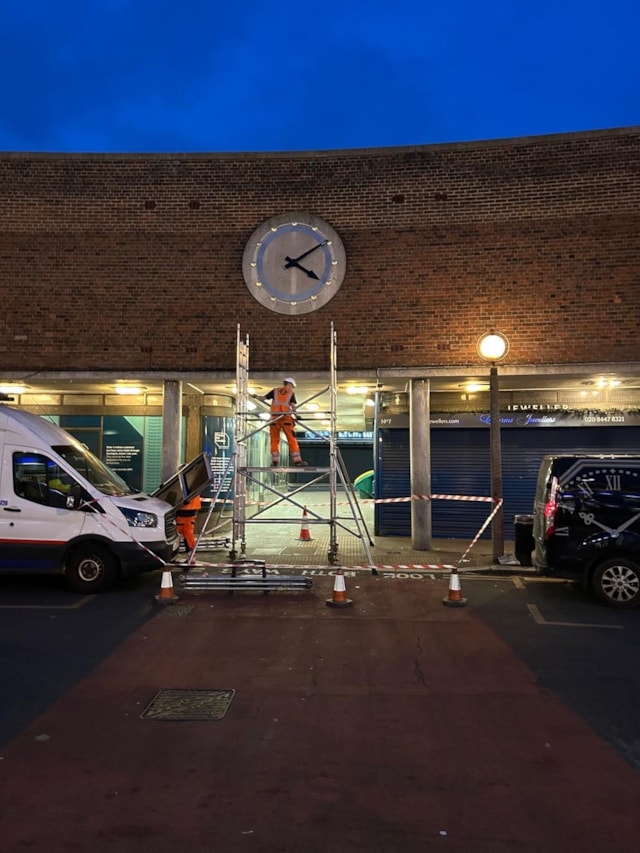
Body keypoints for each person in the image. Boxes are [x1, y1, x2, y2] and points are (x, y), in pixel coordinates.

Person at [261, 377, 308, 467]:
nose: (292, 388)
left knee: (274, 439)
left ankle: (275, 461)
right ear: (290, 384)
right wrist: (297, 415)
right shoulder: (290, 393)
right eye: (292, 386)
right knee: (291, 439)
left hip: (274, 418)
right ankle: (297, 461)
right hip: (286, 418)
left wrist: (256, 396)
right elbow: (293, 406)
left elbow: (263, 398)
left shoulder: (275, 391)